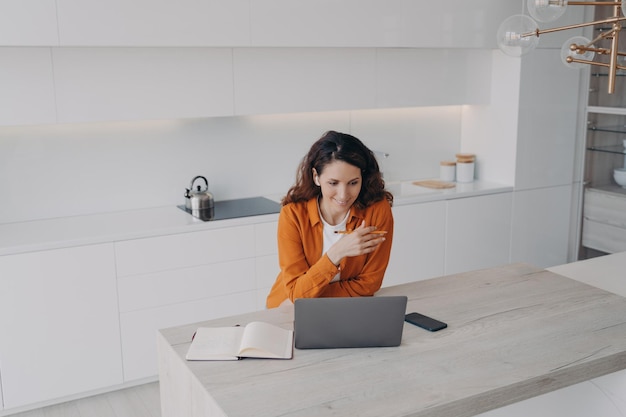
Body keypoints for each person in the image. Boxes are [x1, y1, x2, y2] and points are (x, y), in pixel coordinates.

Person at [266, 130, 394, 308]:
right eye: (333, 183)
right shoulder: (293, 215)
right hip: (286, 309)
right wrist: (337, 253)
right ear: (316, 177)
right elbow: (296, 293)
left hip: (339, 308)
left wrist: (311, 297)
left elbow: (369, 284)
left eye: (353, 182)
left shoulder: (377, 211)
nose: (343, 195)